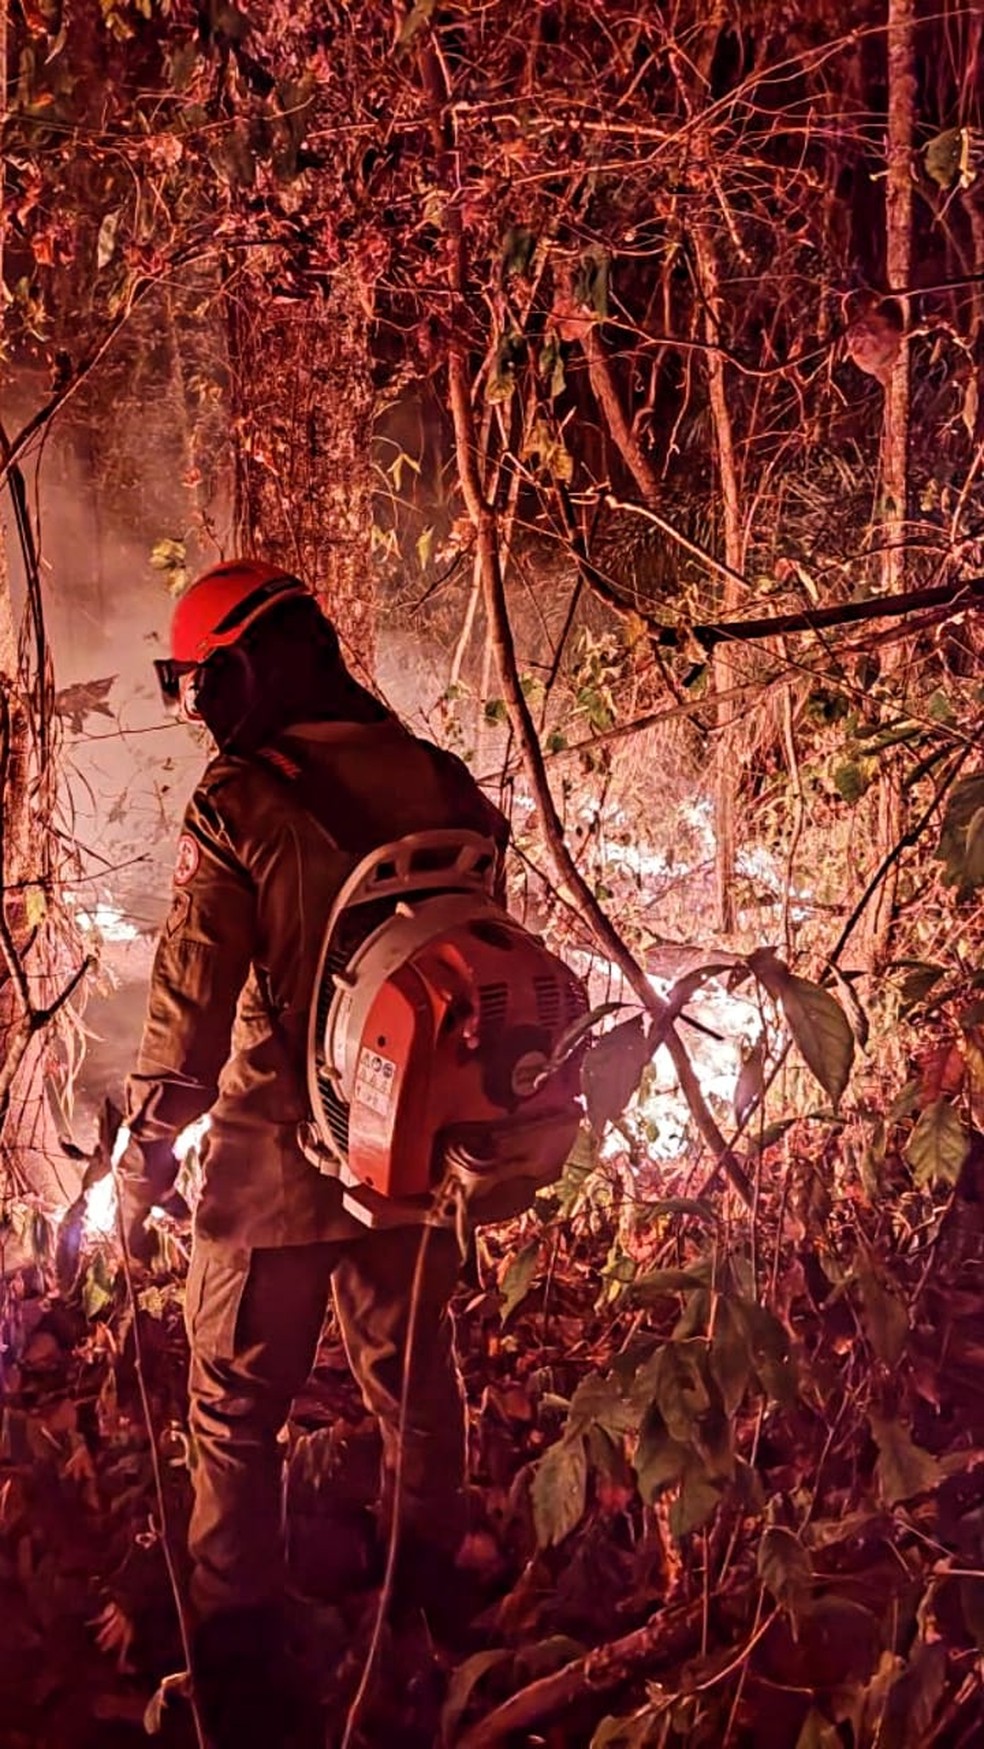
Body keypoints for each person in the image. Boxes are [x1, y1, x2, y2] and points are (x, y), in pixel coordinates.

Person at [119, 560, 509, 1746]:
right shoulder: (446, 778)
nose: (194, 711)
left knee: (235, 1403)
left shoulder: (240, 798)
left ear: (244, 667)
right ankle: (429, 1576)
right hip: (415, 1144)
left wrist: (142, 1156)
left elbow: (191, 1011)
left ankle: (236, 1650)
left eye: (195, 684)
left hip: (275, 1160)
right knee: (415, 1371)